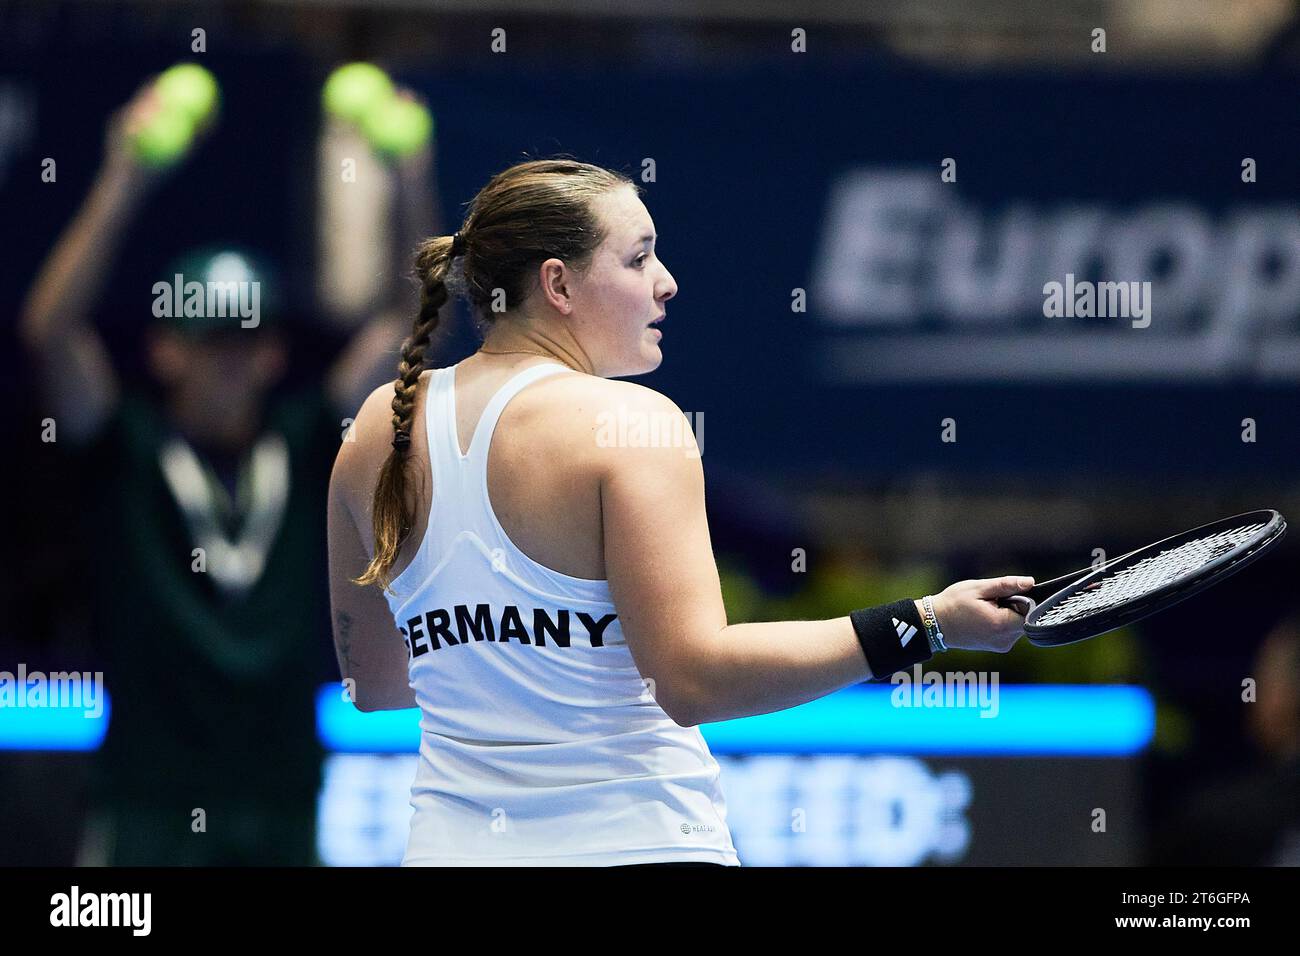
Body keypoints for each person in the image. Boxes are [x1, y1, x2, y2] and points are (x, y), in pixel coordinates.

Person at [326, 158, 1036, 866]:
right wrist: (928, 624)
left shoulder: (368, 434)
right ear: (558, 284)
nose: (668, 282)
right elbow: (695, 680)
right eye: (639, 259)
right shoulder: (631, 424)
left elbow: (377, 687)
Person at [19, 76, 431, 864]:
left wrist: (408, 175)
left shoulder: (313, 442)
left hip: (279, 796)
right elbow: (51, 328)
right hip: (148, 801)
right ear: (164, 350)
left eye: (244, 342)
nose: (229, 363)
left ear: (274, 352)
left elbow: (411, 329)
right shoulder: (124, 450)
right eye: (208, 342)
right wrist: (124, 174)